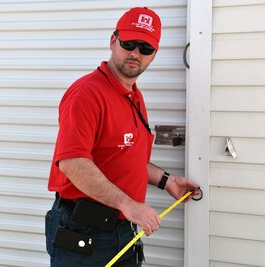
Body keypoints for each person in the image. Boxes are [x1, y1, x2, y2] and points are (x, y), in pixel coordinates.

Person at [45, 6, 200, 267]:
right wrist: (129, 205)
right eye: (129, 43)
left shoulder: (134, 96)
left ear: (154, 54)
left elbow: (125, 157)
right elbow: (72, 163)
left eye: (145, 48)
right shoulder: (87, 94)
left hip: (122, 230)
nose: (135, 53)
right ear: (113, 41)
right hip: (83, 231)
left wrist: (167, 181)